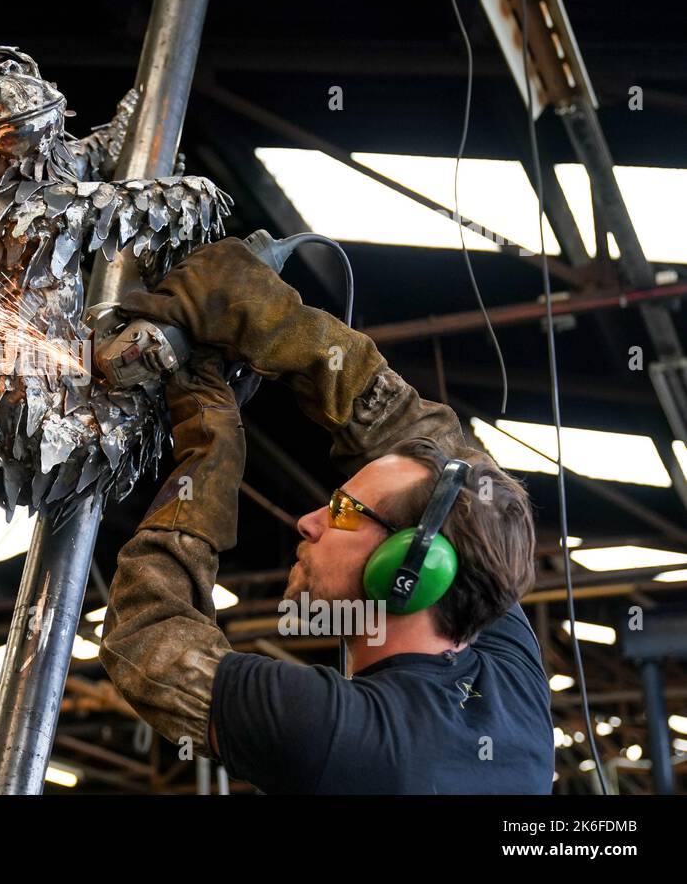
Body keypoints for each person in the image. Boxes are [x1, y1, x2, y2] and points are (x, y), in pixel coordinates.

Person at [99, 234, 555, 793]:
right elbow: (456, 475)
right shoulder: (507, 691)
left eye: (343, 512)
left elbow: (147, 636)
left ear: (406, 566)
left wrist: (208, 452)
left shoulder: (335, 731)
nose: (308, 521)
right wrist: (283, 327)